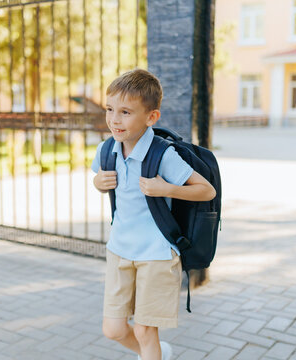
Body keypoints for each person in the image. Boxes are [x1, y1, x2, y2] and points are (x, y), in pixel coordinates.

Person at [91, 69, 216, 360]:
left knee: (147, 332)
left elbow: (206, 190)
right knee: (113, 328)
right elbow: (100, 179)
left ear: (151, 117)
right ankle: (159, 354)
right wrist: (97, 183)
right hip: (119, 250)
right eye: (110, 109)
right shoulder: (107, 149)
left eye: (125, 112)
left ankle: (153, 353)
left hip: (157, 254)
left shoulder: (163, 155)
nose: (114, 119)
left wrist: (166, 188)